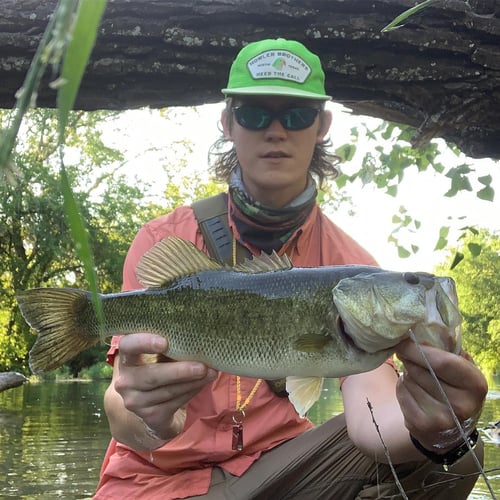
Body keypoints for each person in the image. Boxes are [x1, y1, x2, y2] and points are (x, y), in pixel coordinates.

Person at [94, 38, 487, 499]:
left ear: (321, 125)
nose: (275, 130)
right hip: (153, 481)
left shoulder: (350, 265)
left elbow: (372, 416)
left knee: (456, 455)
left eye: (296, 115)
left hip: (283, 473)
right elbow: (122, 405)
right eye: (255, 113)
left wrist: (436, 425)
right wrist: (149, 419)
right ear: (228, 123)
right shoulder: (167, 239)